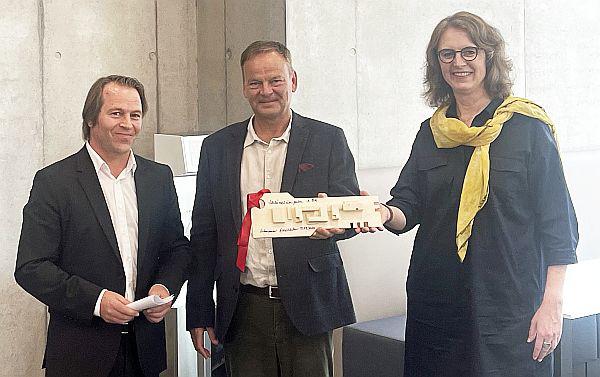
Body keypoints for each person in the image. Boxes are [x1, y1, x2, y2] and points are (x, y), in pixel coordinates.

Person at [376, 11, 578, 377]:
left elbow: (558, 225)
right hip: (437, 306)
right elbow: (409, 204)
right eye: (446, 54)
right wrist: (380, 213)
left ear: (488, 56)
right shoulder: (432, 133)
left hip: (510, 306)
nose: (458, 63)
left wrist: (552, 304)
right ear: (437, 64)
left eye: (469, 52)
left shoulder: (528, 128)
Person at [186, 40, 360, 377]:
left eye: (275, 80)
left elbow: (350, 213)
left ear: (292, 80)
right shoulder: (217, 147)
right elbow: (204, 232)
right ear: (244, 88)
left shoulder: (328, 139)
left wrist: (339, 224)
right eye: (255, 82)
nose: (266, 91)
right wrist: (199, 310)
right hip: (243, 306)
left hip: (309, 304)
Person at [14, 75, 191, 377]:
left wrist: (165, 287)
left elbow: (177, 248)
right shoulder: (54, 182)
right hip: (79, 354)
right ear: (91, 118)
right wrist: (96, 301)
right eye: (116, 113)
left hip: (143, 353)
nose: (127, 123)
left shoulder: (158, 177)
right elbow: (31, 267)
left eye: (135, 115)